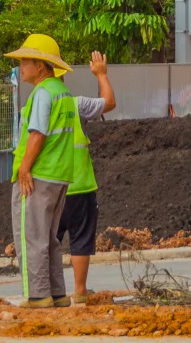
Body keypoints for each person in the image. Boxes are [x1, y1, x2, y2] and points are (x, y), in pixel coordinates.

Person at [6, 32, 77, 309]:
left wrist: (24, 168)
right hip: (60, 175)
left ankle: (38, 295)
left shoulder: (43, 93)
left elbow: (37, 133)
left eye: (26, 62)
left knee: (31, 237)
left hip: (38, 175)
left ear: (41, 66)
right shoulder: (64, 94)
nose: (21, 67)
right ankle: (57, 293)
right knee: (49, 238)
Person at [59, 51, 116, 303]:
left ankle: (48, 291)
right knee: (80, 239)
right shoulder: (76, 104)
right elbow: (109, 103)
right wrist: (101, 75)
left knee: (48, 241)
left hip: (48, 187)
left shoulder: (30, 108)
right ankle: (80, 291)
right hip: (79, 186)